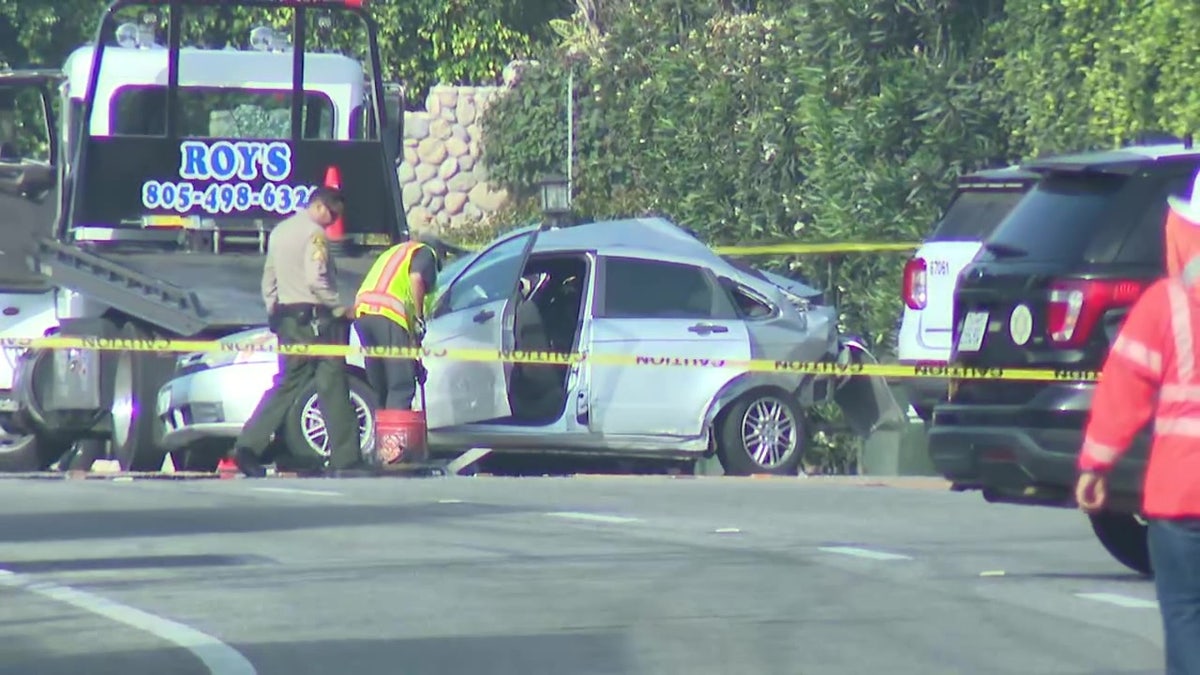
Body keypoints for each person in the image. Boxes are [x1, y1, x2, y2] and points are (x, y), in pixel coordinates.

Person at [1075, 170, 1200, 675]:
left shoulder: (1165, 306)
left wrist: (1095, 466)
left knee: (1187, 617)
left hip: (1180, 498)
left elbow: (1124, 390)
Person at [231, 186, 369, 478]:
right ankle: (347, 457)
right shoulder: (315, 235)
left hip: (288, 318)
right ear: (320, 206)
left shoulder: (280, 231)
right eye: (333, 214)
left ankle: (248, 446)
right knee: (332, 381)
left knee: (287, 383)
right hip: (317, 319)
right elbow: (316, 279)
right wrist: (339, 308)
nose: (333, 221)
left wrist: (274, 311)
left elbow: (269, 277)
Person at [353, 235, 439, 410]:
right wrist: (419, 318)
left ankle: (379, 431)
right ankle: (394, 436)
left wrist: (413, 358)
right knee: (401, 385)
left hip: (363, 313)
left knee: (380, 383)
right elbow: (416, 278)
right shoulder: (425, 252)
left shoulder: (396, 252)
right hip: (388, 313)